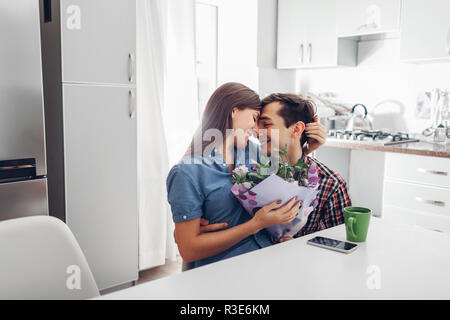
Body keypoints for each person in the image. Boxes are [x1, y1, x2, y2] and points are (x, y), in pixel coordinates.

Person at [166, 83, 303, 269]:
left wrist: (309, 146)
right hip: (220, 271)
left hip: (265, 260)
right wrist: (255, 225)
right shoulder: (188, 172)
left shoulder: (253, 152)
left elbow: (287, 174)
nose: (256, 129)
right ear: (233, 111)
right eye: (254, 118)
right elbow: (188, 249)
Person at [258, 93, 352, 240]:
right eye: (257, 124)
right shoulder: (250, 173)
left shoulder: (331, 184)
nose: (258, 131)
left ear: (296, 130)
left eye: (266, 124)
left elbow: (341, 243)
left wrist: (298, 245)